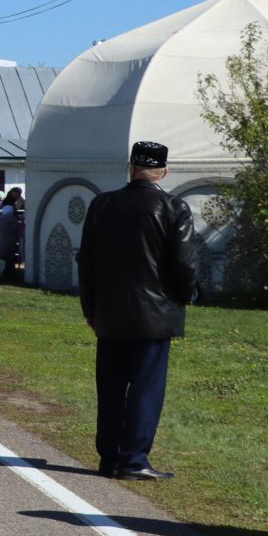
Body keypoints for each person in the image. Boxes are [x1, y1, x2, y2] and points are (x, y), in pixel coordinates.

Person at [76, 141, 199, 481]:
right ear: (164, 172)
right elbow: (185, 264)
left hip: (110, 311)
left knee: (111, 387)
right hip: (155, 314)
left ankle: (110, 456)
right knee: (146, 388)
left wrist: (91, 306)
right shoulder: (173, 208)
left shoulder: (102, 205)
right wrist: (185, 296)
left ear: (131, 168)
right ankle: (133, 459)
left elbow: (85, 260)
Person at [0, 186, 25, 280]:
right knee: (10, 257)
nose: (16, 194)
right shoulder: (14, 220)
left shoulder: (2, 219)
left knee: (2, 256)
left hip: (2, 244)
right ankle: (10, 272)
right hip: (11, 243)